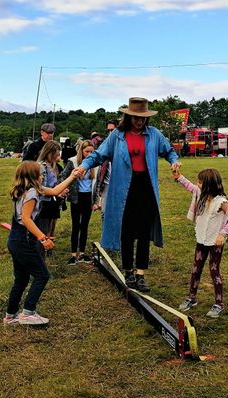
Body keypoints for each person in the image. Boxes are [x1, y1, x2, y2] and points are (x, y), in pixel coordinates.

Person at [76, 97, 180, 292]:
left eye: (143, 118)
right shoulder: (117, 135)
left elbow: (169, 151)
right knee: (127, 231)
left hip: (146, 187)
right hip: (123, 188)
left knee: (143, 232)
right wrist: (84, 165)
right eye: (136, 118)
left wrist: (174, 161)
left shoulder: (154, 134)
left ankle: (140, 275)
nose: (139, 121)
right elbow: (99, 155)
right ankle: (128, 272)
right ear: (128, 116)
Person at [3, 161, 78, 326]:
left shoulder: (31, 189)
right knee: (42, 275)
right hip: (23, 241)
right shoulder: (31, 194)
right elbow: (26, 219)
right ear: (33, 176)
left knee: (21, 280)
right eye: (40, 173)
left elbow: (55, 190)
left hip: (15, 240)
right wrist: (43, 238)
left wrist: (73, 176)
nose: (43, 175)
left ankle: (10, 316)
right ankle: (28, 312)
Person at [173, 168, 228, 318]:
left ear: (208, 185)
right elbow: (189, 186)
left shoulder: (221, 202)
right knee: (196, 270)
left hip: (215, 243)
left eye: (200, 182)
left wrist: (223, 233)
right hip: (201, 240)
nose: (197, 184)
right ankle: (191, 298)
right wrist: (179, 177)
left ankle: (219, 304)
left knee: (214, 272)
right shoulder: (200, 195)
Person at [60, 140, 98, 265]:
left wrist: (96, 200)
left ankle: (82, 253)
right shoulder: (73, 161)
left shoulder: (95, 164)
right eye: (87, 152)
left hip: (88, 197)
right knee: (76, 225)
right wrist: (66, 188)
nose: (89, 154)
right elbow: (62, 176)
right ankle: (73, 254)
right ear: (81, 151)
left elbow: (96, 184)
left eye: (92, 152)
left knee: (85, 225)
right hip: (76, 197)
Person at [37, 141, 67, 254]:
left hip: (52, 203)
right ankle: (40, 253)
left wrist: (60, 190)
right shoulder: (41, 166)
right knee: (43, 230)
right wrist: (56, 192)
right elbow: (40, 188)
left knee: (48, 229)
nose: (58, 156)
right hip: (44, 204)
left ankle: (45, 251)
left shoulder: (52, 166)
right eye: (56, 153)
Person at [93, 120, 118, 223]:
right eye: (108, 131)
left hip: (120, 184)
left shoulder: (125, 145)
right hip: (107, 184)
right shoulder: (105, 145)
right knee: (104, 212)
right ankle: (105, 238)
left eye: (112, 130)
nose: (110, 133)